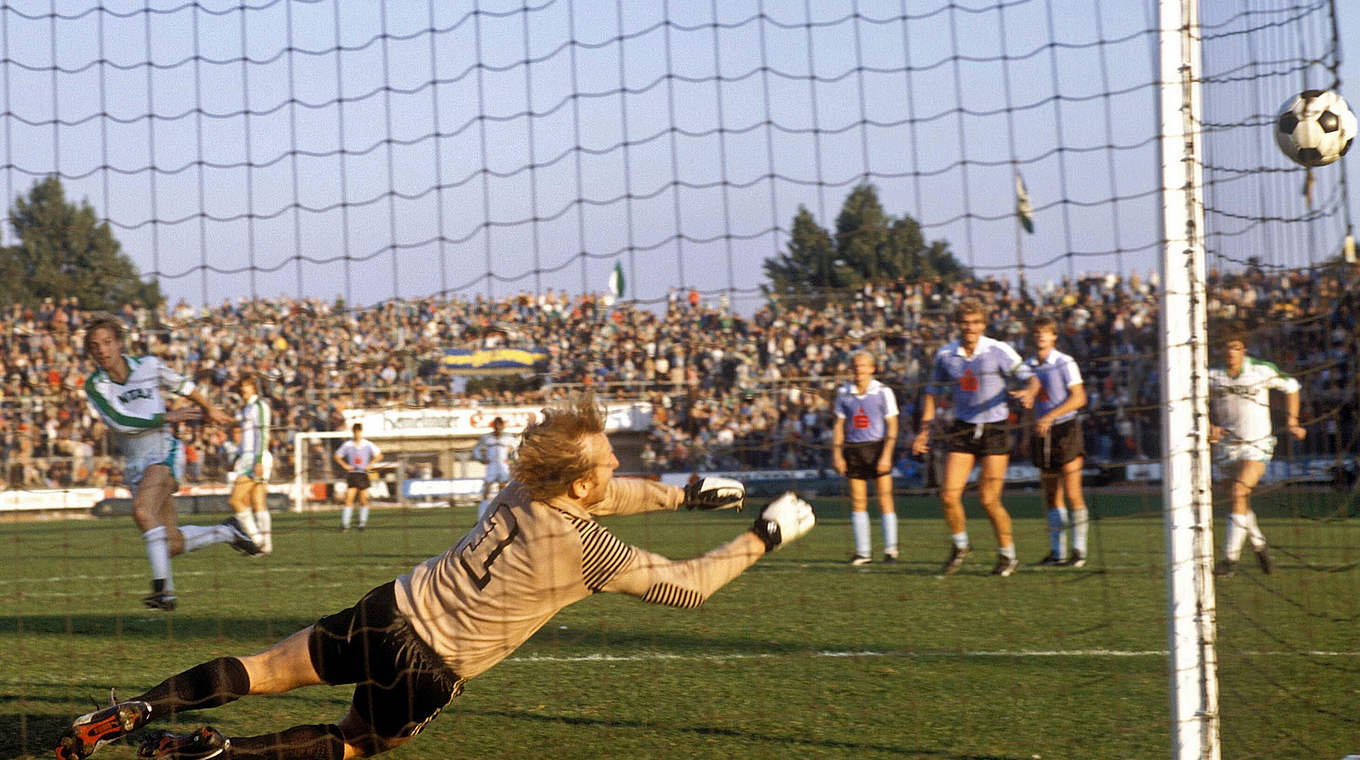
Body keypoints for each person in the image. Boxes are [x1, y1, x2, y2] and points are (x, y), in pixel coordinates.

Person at [55, 391, 815, 760]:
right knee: (352, 745)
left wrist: (684, 492)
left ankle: (138, 711)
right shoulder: (591, 551)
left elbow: (613, 492)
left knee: (260, 668)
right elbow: (689, 586)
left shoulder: (523, 486)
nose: (618, 464)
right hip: (430, 667)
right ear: (578, 482)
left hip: (389, 609)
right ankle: (217, 755)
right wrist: (763, 534)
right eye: (607, 457)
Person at [82, 312, 261, 612]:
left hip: (163, 452)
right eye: (95, 345)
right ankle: (228, 531)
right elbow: (119, 421)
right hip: (136, 464)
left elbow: (183, 385)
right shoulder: (96, 385)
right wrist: (167, 416)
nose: (102, 349)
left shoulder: (149, 366)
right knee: (170, 544)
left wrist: (209, 408)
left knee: (141, 511)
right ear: (91, 352)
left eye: (107, 342)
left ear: (119, 343)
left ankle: (164, 592)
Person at [911, 298, 1039, 577]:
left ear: (984, 324)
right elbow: (932, 393)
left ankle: (1008, 554)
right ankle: (960, 546)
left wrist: (1029, 392)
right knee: (948, 495)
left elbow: (1033, 377)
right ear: (958, 324)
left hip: (995, 428)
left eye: (976, 323)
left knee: (988, 499)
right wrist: (924, 431)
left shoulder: (998, 350)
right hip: (964, 427)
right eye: (965, 322)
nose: (970, 327)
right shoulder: (946, 355)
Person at [1208, 326, 1306, 577]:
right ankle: (1259, 544)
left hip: (1257, 444)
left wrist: (1292, 421)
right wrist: (1209, 426)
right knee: (1238, 499)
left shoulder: (1261, 370)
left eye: (1236, 347)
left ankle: (1229, 561)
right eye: (1226, 347)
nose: (1231, 352)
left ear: (1244, 349)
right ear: (1220, 350)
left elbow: (1292, 386)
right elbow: (1195, 401)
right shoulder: (1211, 375)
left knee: (1239, 491)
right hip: (1226, 447)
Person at [1024, 315, 1090, 568]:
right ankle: (1057, 553)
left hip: (1066, 429)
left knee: (1073, 492)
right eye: (1037, 332)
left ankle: (1079, 552)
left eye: (1046, 332)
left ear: (1054, 337)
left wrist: (1050, 416)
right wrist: (1027, 429)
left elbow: (1079, 398)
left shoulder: (1064, 362)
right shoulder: (1028, 365)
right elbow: (1030, 401)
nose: (1041, 336)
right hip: (1042, 432)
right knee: (1051, 495)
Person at [831, 351, 900, 565]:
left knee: (884, 499)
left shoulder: (883, 392)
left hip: (877, 448)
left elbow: (893, 425)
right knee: (858, 501)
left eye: (862, 366)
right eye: (855, 366)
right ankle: (863, 553)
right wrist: (837, 453)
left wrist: (887, 454)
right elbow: (839, 426)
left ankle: (891, 550)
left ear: (872, 369)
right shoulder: (844, 393)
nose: (858, 370)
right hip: (854, 449)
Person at [226, 373, 273, 555]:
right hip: (247, 459)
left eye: (245, 385)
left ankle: (257, 541)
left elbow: (263, 433)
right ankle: (266, 547)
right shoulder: (246, 409)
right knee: (257, 502)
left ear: (254, 387)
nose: (242, 389)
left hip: (255, 459)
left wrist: (259, 460)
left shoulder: (260, 406)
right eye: (241, 385)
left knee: (235, 500)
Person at [334, 423, 382, 531]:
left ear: (361, 432)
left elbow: (379, 455)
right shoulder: (348, 445)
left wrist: (371, 464)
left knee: (363, 500)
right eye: (355, 432)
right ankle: (345, 524)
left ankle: (362, 524)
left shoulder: (367, 444)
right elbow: (337, 456)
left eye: (358, 432)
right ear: (353, 432)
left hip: (363, 474)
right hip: (353, 474)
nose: (357, 434)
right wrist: (345, 465)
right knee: (348, 499)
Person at [472, 416, 515, 519]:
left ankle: (503, 515)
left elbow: (516, 449)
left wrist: (512, 459)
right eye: (496, 425)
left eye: (500, 425)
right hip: (491, 465)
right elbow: (476, 449)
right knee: (486, 488)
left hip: (503, 466)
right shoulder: (486, 437)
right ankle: (481, 516)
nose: (498, 427)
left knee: (503, 489)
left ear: (503, 426)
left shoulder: (509, 437)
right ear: (493, 426)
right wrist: (481, 459)